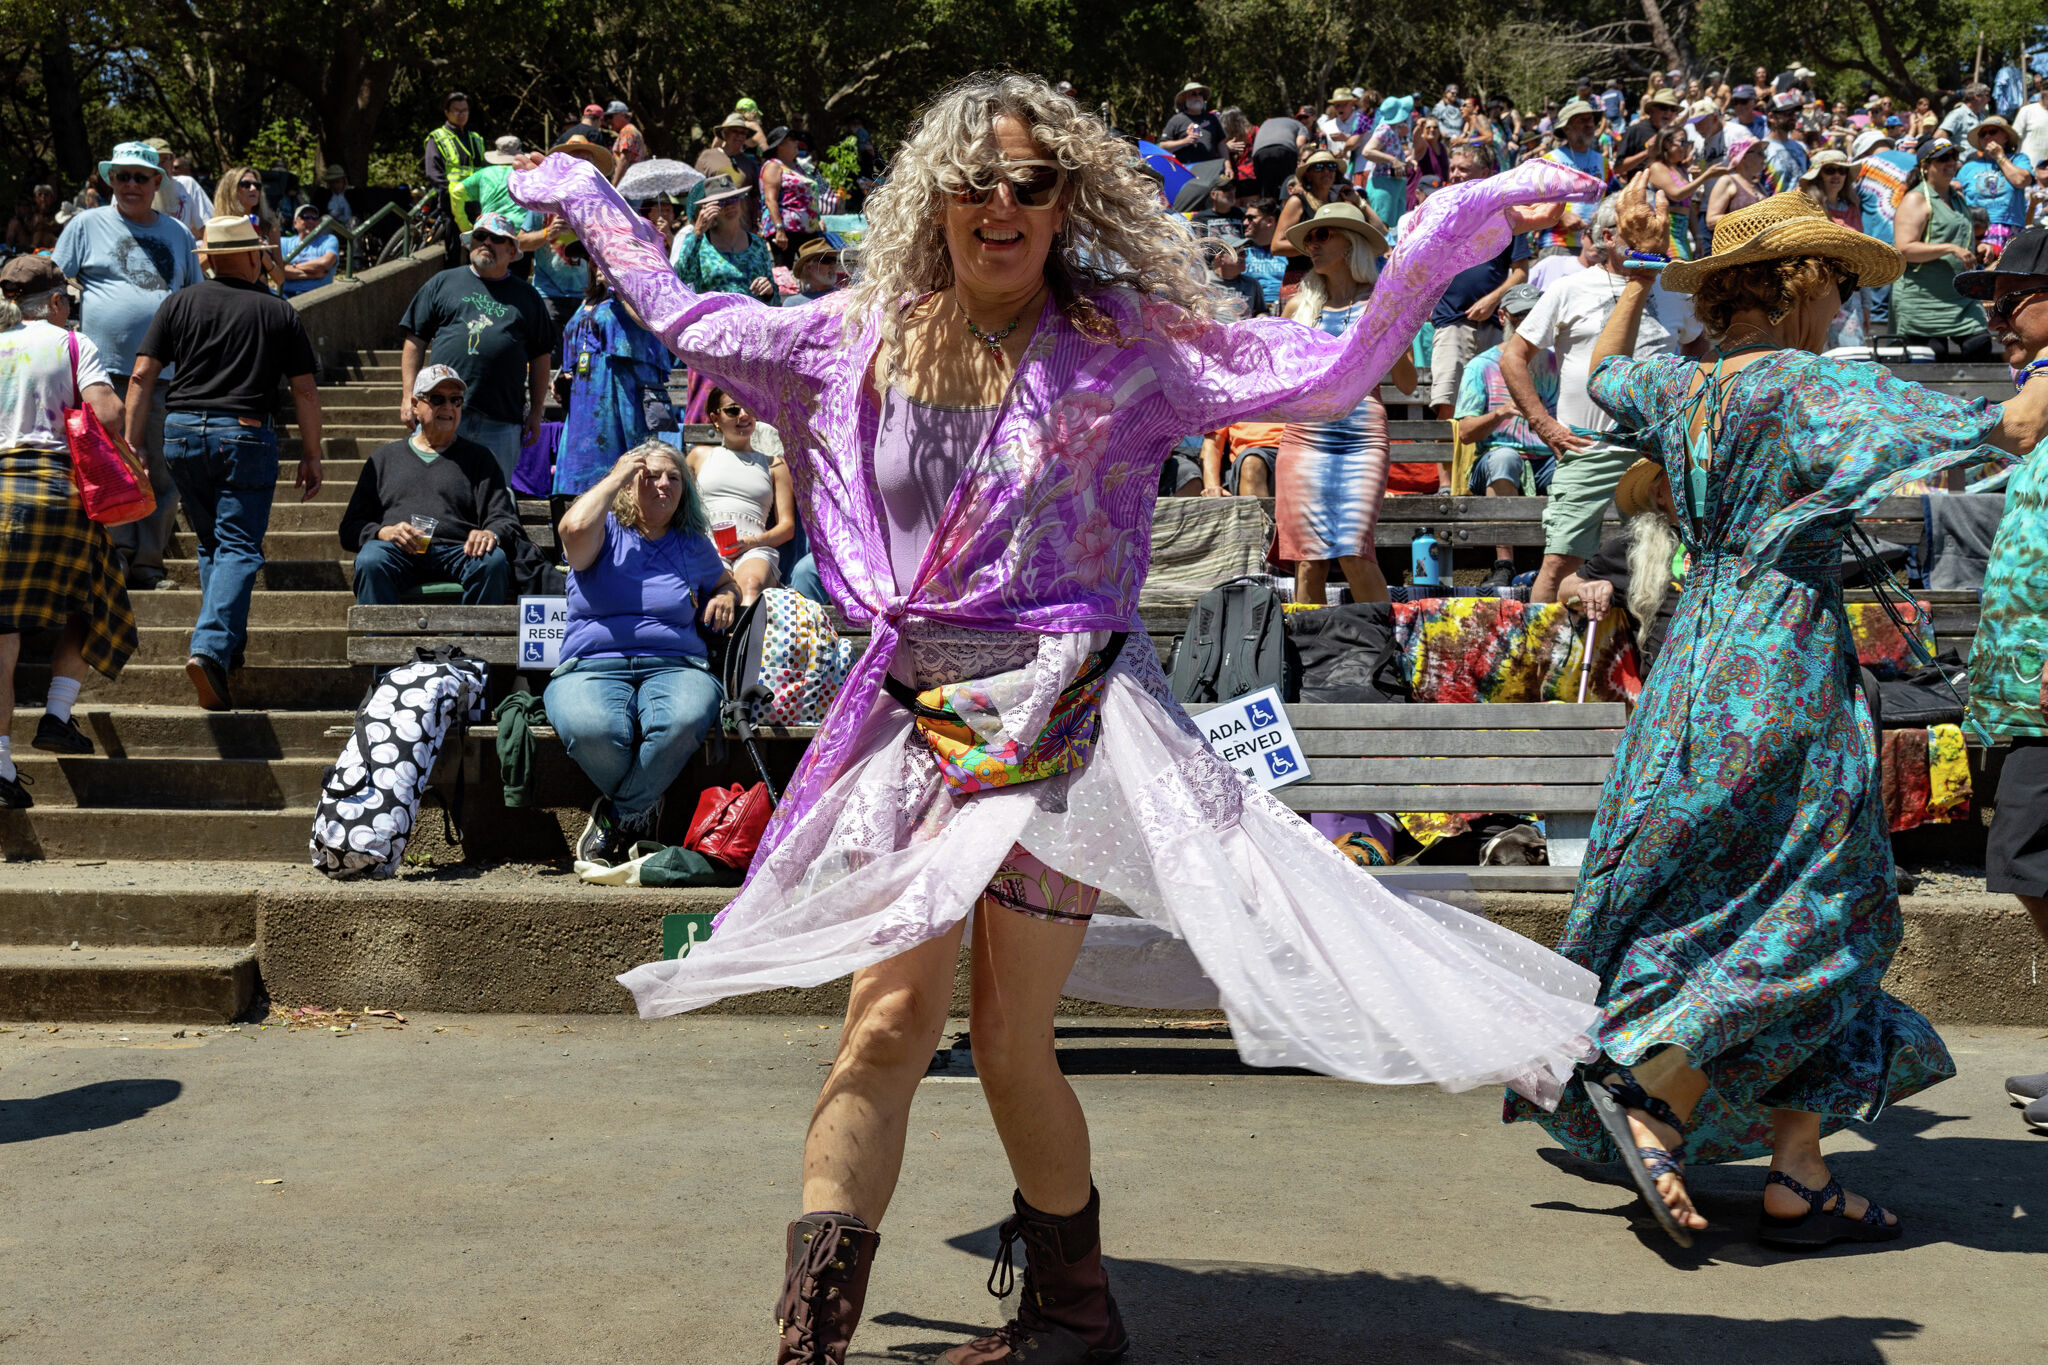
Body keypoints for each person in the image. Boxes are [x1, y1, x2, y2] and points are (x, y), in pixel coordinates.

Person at [510, 73, 1601, 1365]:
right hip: (916, 725)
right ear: (939, 197)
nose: (1003, 206)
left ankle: (1075, 1312)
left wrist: (1444, 233)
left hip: (1058, 730)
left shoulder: (1124, 347)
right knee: (884, 1023)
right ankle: (811, 1339)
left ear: (1068, 200)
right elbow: (687, 315)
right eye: (977, 183)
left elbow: (1336, 365)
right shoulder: (855, 336)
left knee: (1012, 1039)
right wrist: (589, 198)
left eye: (1031, 184)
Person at [1504, 180, 2047, 1251]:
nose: (1845, 307)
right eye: (1839, 285)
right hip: (1783, 660)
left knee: (1712, 895)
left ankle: (1799, 1171)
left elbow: (1601, 380)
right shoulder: (1809, 390)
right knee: (1821, 906)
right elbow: (2013, 426)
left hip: (1691, 665)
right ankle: (1656, 1089)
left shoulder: (1685, 389)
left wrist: (1631, 273)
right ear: (1800, 284)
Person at [127, 216, 322, 711]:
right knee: (238, 546)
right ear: (256, 256)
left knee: (214, 543)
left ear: (209, 259)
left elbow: (141, 375)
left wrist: (134, 443)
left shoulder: (178, 303)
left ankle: (227, 650)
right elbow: (303, 388)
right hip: (246, 434)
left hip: (182, 431)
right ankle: (210, 649)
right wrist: (312, 452)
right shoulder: (278, 311)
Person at [1951, 228, 2048, 1135]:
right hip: (2025, 685)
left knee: (2032, 859)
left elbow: (2011, 430)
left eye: (2014, 295)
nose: (1994, 314)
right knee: (2031, 862)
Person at [549, 441, 737, 865]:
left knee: (685, 719)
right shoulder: (604, 528)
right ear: (629, 482)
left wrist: (726, 593)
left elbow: (727, 581)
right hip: (592, 665)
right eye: (649, 475)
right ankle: (642, 810)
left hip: (676, 665)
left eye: (673, 476)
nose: (663, 484)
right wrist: (617, 475)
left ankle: (616, 817)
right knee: (591, 728)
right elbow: (572, 531)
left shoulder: (691, 542)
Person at [1504, 193, 1689, 603]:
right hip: (1588, 445)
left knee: (1663, 561)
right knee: (1559, 563)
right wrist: (1544, 424)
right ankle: (1543, 660)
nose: (1648, 243)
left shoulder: (1676, 289)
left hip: (1658, 451)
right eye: (1635, 233)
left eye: (1654, 235)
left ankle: (1643, 657)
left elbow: (1700, 351)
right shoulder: (1569, 287)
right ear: (1608, 236)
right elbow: (1513, 356)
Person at [0, 255, 138, 803]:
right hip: (59, 493)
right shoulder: (73, 344)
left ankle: (2, 767)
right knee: (97, 600)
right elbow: (107, 413)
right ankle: (57, 714)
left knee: (1, 629)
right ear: (56, 301)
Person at [51, 140, 202, 593]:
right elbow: (53, 288)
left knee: (159, 469)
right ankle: (112, 558)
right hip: (101, 374)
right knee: (104, 467)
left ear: (158, 183)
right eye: (122, 176)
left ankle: (149, 565)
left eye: (141, 177)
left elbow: (193, 302)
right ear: (109, 180)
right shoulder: (85, 224)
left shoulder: (178, 233)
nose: (131, 184)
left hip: (164, 375)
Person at [1274, 202, 1410, 605]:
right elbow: (1282, 380)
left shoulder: (1382, 302)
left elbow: (1406, 383)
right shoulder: (1298, 306)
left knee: (1354, 552)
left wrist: (1392, 329)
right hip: (1305, 435)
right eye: (1309, 237)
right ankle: (1308, 655)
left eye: (1322, 235)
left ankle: (1380, 652)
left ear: (1350, 244)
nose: (1311, 244)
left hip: (1361, 434)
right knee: (1308, 560)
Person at [396, 210, 554, 481]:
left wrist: (536, 412)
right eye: (480, 236)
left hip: (501, 419)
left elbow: (541, 358)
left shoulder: (527, 296)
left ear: (511, 250)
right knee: (432, 488)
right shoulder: (443, 283)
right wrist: (408, 396)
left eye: (496, 238)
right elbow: (415, 341)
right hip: (441, 411)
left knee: (493, 496)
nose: (486, 243)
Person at [341, 366, 516, 607]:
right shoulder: (383, 459)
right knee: (371, 560)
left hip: (460, 551)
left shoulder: (480, 458)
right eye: (437, 399)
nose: (448, 407)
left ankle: (474, 643)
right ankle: (382, 643)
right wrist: (384, 532)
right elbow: (350, 528)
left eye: (456, 400)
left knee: (493, 561)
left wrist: (489, 533)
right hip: (400, 553)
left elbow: (503, 519)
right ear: (415, 405)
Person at [1454, 281, 1555, 584]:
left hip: (1545, 458)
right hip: (1495, 459)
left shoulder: (1554, 362)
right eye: (1519, 317)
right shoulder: (1481, 366)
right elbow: (1465, 432)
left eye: (1534, 316)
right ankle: (1504, 563)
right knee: (1505, 458)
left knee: (1573, 466)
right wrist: (1500, 413)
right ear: (1503, 317)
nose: (1527, 324)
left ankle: (1561, 560)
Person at [555, 264, 672, 504]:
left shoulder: (644, 293)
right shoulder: (591, 298)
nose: (598, 261)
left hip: (623, 401)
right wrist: (565, 374)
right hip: (583, 408)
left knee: (624, 485)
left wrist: (621, 286)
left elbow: (653, 323)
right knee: (579, 492)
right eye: (594, 254)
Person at [1556, 458, 1684, 672]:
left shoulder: (1737, 541)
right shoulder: (1641, 546)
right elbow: (1565, 587)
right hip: (1668, 685)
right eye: (1680, 476)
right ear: (1658, 494)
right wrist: (1585, 589)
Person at [1429, 143, 1528, 420]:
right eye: (1453, 168)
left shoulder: (1507, 215)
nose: (1456, 174)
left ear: (1485, 173)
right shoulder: (1442, 213)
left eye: (1464, 168)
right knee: (1448, 409)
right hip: (1451, 325)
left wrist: (1492, 300)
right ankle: (1448, 465)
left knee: (1492, 407)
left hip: (1494, 326)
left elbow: (1521, 272)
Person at [688, 386, 794, 604]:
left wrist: (753, 542)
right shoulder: (699, 456)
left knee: (750, 585)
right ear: (715, 418)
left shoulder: (773, 464)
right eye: (733, 410)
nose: (743, 415)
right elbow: (680, 508)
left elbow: (787, 527)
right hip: (708, 545)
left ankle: (741, 639)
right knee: (715, 588)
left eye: (749, 408)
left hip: (753, 547)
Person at [1893, 136, 1993, 359]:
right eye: (1943, 158)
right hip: (1923, 299)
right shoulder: (1916, 199)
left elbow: (1956, 236)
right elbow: (1904, 249)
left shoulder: (1957, 198)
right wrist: (1950, 249)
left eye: (1954, 157)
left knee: (1979, 345)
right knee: (1933, 356)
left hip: (1959, 298)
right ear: (1925, 166)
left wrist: (1977, 247)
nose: (1951, 162)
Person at [671, 175, 778, 302]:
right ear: (706, 209)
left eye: (733, 199)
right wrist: (698, 232)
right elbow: (682, 278)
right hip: (714, 319)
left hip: (752, 318)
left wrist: (769, 292)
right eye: (721, 202)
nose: (729, 206)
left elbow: (775, 301)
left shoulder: (757, 244)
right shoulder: (697, 242)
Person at [1532, 98, 1604, 257]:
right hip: (1558, 244)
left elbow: (1612, 197)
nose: (1589, 124)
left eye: (1591, 120)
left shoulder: (1602, 161)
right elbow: (1532, 199)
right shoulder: (1550, 160)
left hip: (1594, 247)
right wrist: (1562, 215)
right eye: (1582, 120)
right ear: (1567, 129)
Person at [424, 92, 488, 266]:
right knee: (453, 251)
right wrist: (449, 192)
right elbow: (433, 172)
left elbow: (483, 169)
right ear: (447, 112)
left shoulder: (476, 138)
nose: (461, 114)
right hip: (451, 202)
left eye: (465, 110)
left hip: (475, 202)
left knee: (477, 250)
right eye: (456, 111)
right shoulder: (437, 137)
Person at [1646, 127, 1730, 259]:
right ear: (1667, 143)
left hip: (1683, 233)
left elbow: (1688, 206)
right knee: (1676, 272)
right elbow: (1677, 194)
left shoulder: (1681, 170)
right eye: (1682, 142)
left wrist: (1698, 237)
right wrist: (1706, 176)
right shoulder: (1657, 167)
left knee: (1683, 273)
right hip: (1666, 230)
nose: (1686, 147)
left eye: (1687, 143)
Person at [1960, 116, 2034, 256]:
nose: (1987, 136)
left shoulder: (2018, 159)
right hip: (1976, 227)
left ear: (2006, 137)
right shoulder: (1968, 167)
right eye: (1983, 134)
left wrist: (1999, 157)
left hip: (2009, 226)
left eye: (1993, 132)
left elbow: (2021, 181)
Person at [210, 165, 288, 291]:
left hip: (259, 293)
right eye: (246, 184)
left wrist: (261, 253)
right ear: (231, 189)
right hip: (229, 293)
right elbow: (200, 264)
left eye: (257, 186)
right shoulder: (218, 225)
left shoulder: (269, 226)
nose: (253, 189)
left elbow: (280, 279)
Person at [1272, 149, 1357, 257]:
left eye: (1331, 166)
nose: (1326, 171)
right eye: (1319, 167)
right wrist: (1317, 246)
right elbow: (1276, 247)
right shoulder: (1297, 202)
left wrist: (1359, 201)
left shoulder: (1340, 201)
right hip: (1302, 271)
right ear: (1308, 175)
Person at [758, 126, 821, 265]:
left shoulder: (799, 167)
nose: (796, 142)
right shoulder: (773, 166)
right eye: (791, 139)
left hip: (808, 230)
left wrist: (818, 218)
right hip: (785, 231)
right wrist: (779, 229)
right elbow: (770, 199)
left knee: (814, 272)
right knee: (785, 274)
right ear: (779, 144)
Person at [1358, 96, 1415, 229]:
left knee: (1394, 229)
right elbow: (1367, 151)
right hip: (1383, 186)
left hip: (1395, 184)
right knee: (1383, 229)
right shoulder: (1385, 129)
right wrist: (1393, 160)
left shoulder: (1393, 130)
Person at [449, 135, 525, 233]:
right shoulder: (527, 173)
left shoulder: (484, 173)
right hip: (520, 229)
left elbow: (456, 191)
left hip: (490, 228)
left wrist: (465, 226)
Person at [1703, 132, 1769, 237]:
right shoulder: (1727, 181)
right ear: (1743, 157)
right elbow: (1711, 221)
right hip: (1735, 247)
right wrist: (1747, 216)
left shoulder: (1758, 186)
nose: (1764, 156)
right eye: (1759, 153)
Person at [1616, 89, 1682, 180]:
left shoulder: (1675, 134)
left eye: (1673, 109)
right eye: (1663, 107)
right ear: (1651, 110)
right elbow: (1618, 168)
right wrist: (1646, 153)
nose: (1669, 112)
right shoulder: (1635, 130)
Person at [279, 203, 341, 296]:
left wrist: (293, 267)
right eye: (305, 217)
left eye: (314, 217)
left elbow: (325, 263)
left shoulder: (329, 239)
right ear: (295, 223)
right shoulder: (284, 242)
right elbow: (279, 271)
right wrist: (314, 274)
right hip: (287, 294)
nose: (311, 221)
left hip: (318, 295)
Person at [1237, 197, 1287, 309]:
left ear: (1269, 221)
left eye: (1251, 218)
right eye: (1245, 218)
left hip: (1284, 307)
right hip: (1251, 309)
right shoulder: (1241, 251)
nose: (1245, 223)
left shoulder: (1288, 251)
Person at [1160, 80, 1225, 164]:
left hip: (1211, 169)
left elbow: (1221, 144)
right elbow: (1163, 146)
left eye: (1200, 94)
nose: (1197, 97)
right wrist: (1185, 141)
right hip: (1186, 170)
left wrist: (1227, 165)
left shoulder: (1212, 118)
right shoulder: (1176, 120)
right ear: (1185, 99)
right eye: (1193, 94)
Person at [1249, 107, 1308, 200]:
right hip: (1284, 150)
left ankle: (1267, 211)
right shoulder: (1299, 125)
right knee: (1288, 185)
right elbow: (1300, 144)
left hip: (1259, 154)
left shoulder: (1265, 123)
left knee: (1266, 191)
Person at [1799, 148, 1862, 230]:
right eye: (1830, 170)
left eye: (1842, 170)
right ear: (1818, 176)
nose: (1837, 175)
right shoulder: (1809, 209)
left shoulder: (1852, 207)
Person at [1205, 236, 1266, 318]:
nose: (1244, 256)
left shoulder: (1252, 284)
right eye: (1239, 252)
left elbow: (1261, 311)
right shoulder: (1202, 281)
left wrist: (1261, 320)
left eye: (1244, 252)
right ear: (1220, 258)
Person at [1762, 97, 1810, 193]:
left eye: (1794, 113)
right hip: (1774, 206)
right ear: (1771, 117)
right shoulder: (1762, 148)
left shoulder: (1802, 147)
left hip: (1801, 206)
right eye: (1787, 114)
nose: (1793, 117)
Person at [784, 235, 846, 306]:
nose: (833, 265)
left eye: (834, 260)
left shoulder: (845, 296)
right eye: (826, 261)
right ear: (809, 267)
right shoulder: (793, 303)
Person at [6, 183, 62, 251]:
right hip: (29, 242)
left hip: (49, 245)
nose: (43, 197)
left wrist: (45, 226)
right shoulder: (30, 212)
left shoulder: (57, 212)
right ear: (35, 198)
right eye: (40, 194)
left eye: (46, 195)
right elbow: (27, 228)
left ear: (51, 198)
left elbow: (59, 229)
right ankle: (8, 249)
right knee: (14, 222)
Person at [604, 101, 647, 180]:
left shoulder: (627, 132)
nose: (608, 121)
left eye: (610, 117)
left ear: (622, 115)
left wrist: (614, 184)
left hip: (627, 181)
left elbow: (624, 160)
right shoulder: (632, 130)